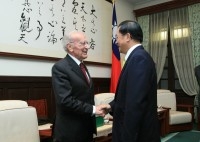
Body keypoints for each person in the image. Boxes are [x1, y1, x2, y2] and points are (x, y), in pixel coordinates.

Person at [107, 20, 161, 142]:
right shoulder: (137, 57)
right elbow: (128, 96)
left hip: (138, 135)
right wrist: (110, 106)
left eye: (117, 37)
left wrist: (127, 138)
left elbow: (135, 104)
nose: (116, 42)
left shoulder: (139, 59)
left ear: (127, 37)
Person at [51, 31, 106, 142]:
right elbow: (65, 100)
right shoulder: (60, 68)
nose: (87, 47)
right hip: (70, 132)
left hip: (85, 129)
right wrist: (93, 109)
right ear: (70, 47)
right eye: (82, 43)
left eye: (87, 43)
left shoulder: (82, 66)